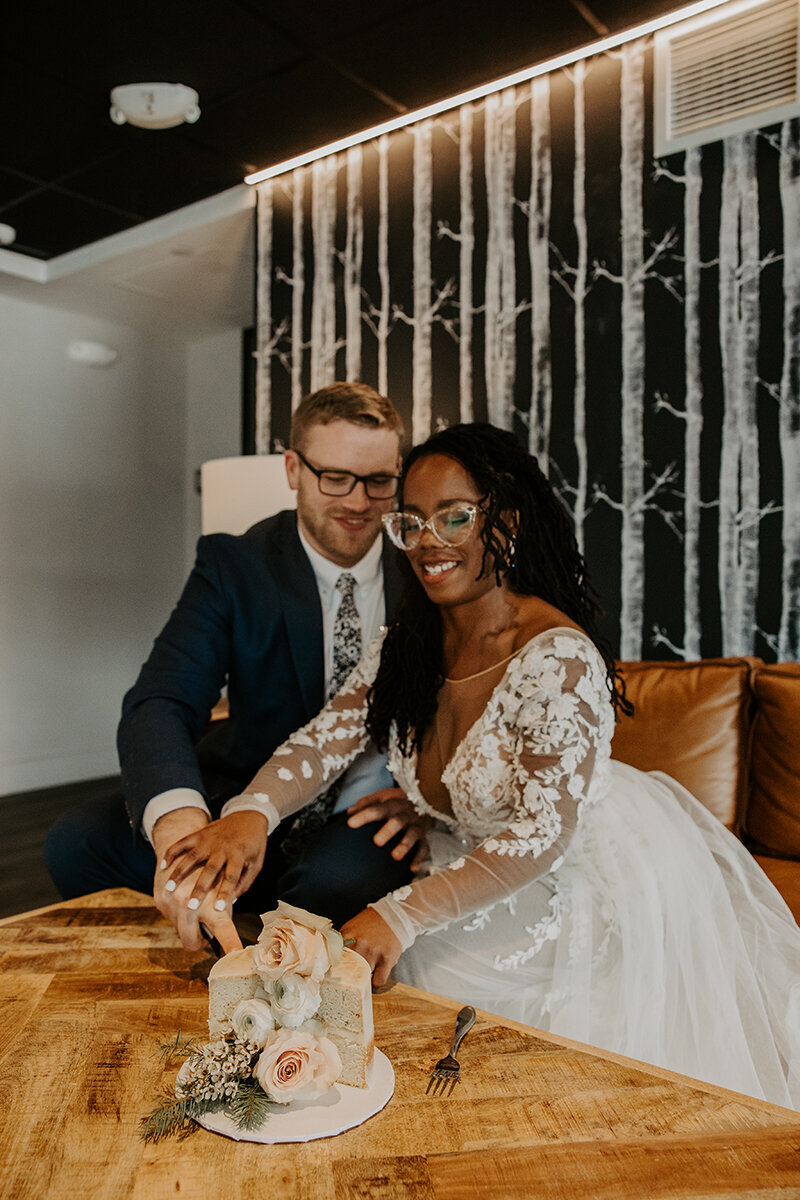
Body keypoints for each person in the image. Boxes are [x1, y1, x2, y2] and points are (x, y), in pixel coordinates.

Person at [160, 422, 800, 1109]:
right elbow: (328, 738)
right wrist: (249, 815)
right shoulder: (411, 641)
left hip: (572, 881)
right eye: (412, 522)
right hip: (468, 862)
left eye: (456, 517)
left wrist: (399, 916)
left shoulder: (556, 656)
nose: (430, 541)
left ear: (506, 522)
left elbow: (540, 836)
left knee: (423, 1008)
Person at [45, 383, 431, 954]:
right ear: (294, 469)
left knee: (324, 893)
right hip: (243, 799)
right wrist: (181, 826)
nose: (357, 502)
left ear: (398, 473)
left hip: (365, 812)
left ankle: (255, 918)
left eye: (378, 481)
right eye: (335, 478)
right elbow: (161, 701)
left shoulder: (429, 567)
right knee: (74, 842)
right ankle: (233, 911)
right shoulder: (233, 565)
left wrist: (425, 802)